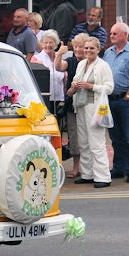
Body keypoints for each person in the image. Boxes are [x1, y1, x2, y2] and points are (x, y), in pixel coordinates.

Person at [67, 37, 113, 187]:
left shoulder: (103, 66)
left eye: (92, 48)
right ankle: (87, 174)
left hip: (95, 107)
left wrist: (90, 86)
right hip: (80, 106)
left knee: (96, 142)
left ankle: (103, 177)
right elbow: (74, 82)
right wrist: (74, 86)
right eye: (86, 48)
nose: (88, 51)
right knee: (83, 142)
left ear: (98, 50)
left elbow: (109, 88)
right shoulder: (81, 64)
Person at [103, 22, 129, 183]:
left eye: (115, 33)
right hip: (110, 100)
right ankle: (119, 168)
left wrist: (128, 96)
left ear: (125, 35)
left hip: (125, 101)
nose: (111, 36)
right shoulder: (108, 52)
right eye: (111, 33)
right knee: (115, 137)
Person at [55, 33, 89, 177]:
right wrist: (59, 54)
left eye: (81, 47)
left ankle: (88, 168)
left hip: (88, 104)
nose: (78, 50)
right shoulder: (71, 61)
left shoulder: (91, 63)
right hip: (71, 104)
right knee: (74, 137)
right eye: (75, 47)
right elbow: (58, 67)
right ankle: (76, 168)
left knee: (88, 136)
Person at [30, 30, 65, 103]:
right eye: (45, 42)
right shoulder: (36, 59)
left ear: (56, 44)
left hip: (60, 100)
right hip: (43, 99)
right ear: (42, 44)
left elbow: (64, 80)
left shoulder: (60, 58)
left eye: (51, 42)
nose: (48, 45)